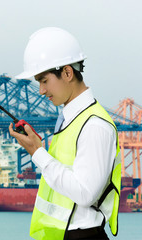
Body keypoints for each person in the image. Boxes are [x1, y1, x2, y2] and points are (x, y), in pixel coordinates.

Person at [9, 27, 121, 240]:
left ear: (68, 73)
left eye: (44, 81)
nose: (41, 91)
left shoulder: (94, 124)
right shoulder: (71, 120)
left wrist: (37, 152)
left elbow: (85, 194)